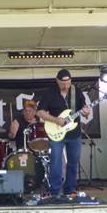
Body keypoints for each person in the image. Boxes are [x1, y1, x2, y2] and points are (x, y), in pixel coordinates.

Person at [36, 69, 91, 197]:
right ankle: (55, 190)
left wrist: (86, 113)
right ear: (57, 80)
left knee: (73, 161)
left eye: (68, 82)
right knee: (55, 161)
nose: (65, 86)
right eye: (62, 83)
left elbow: (84, 110)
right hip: (56, 132)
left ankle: (70, 189)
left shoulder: (76, 91)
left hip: (74, 133)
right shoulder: (50, 92)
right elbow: (40, 112)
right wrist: (56, 120)